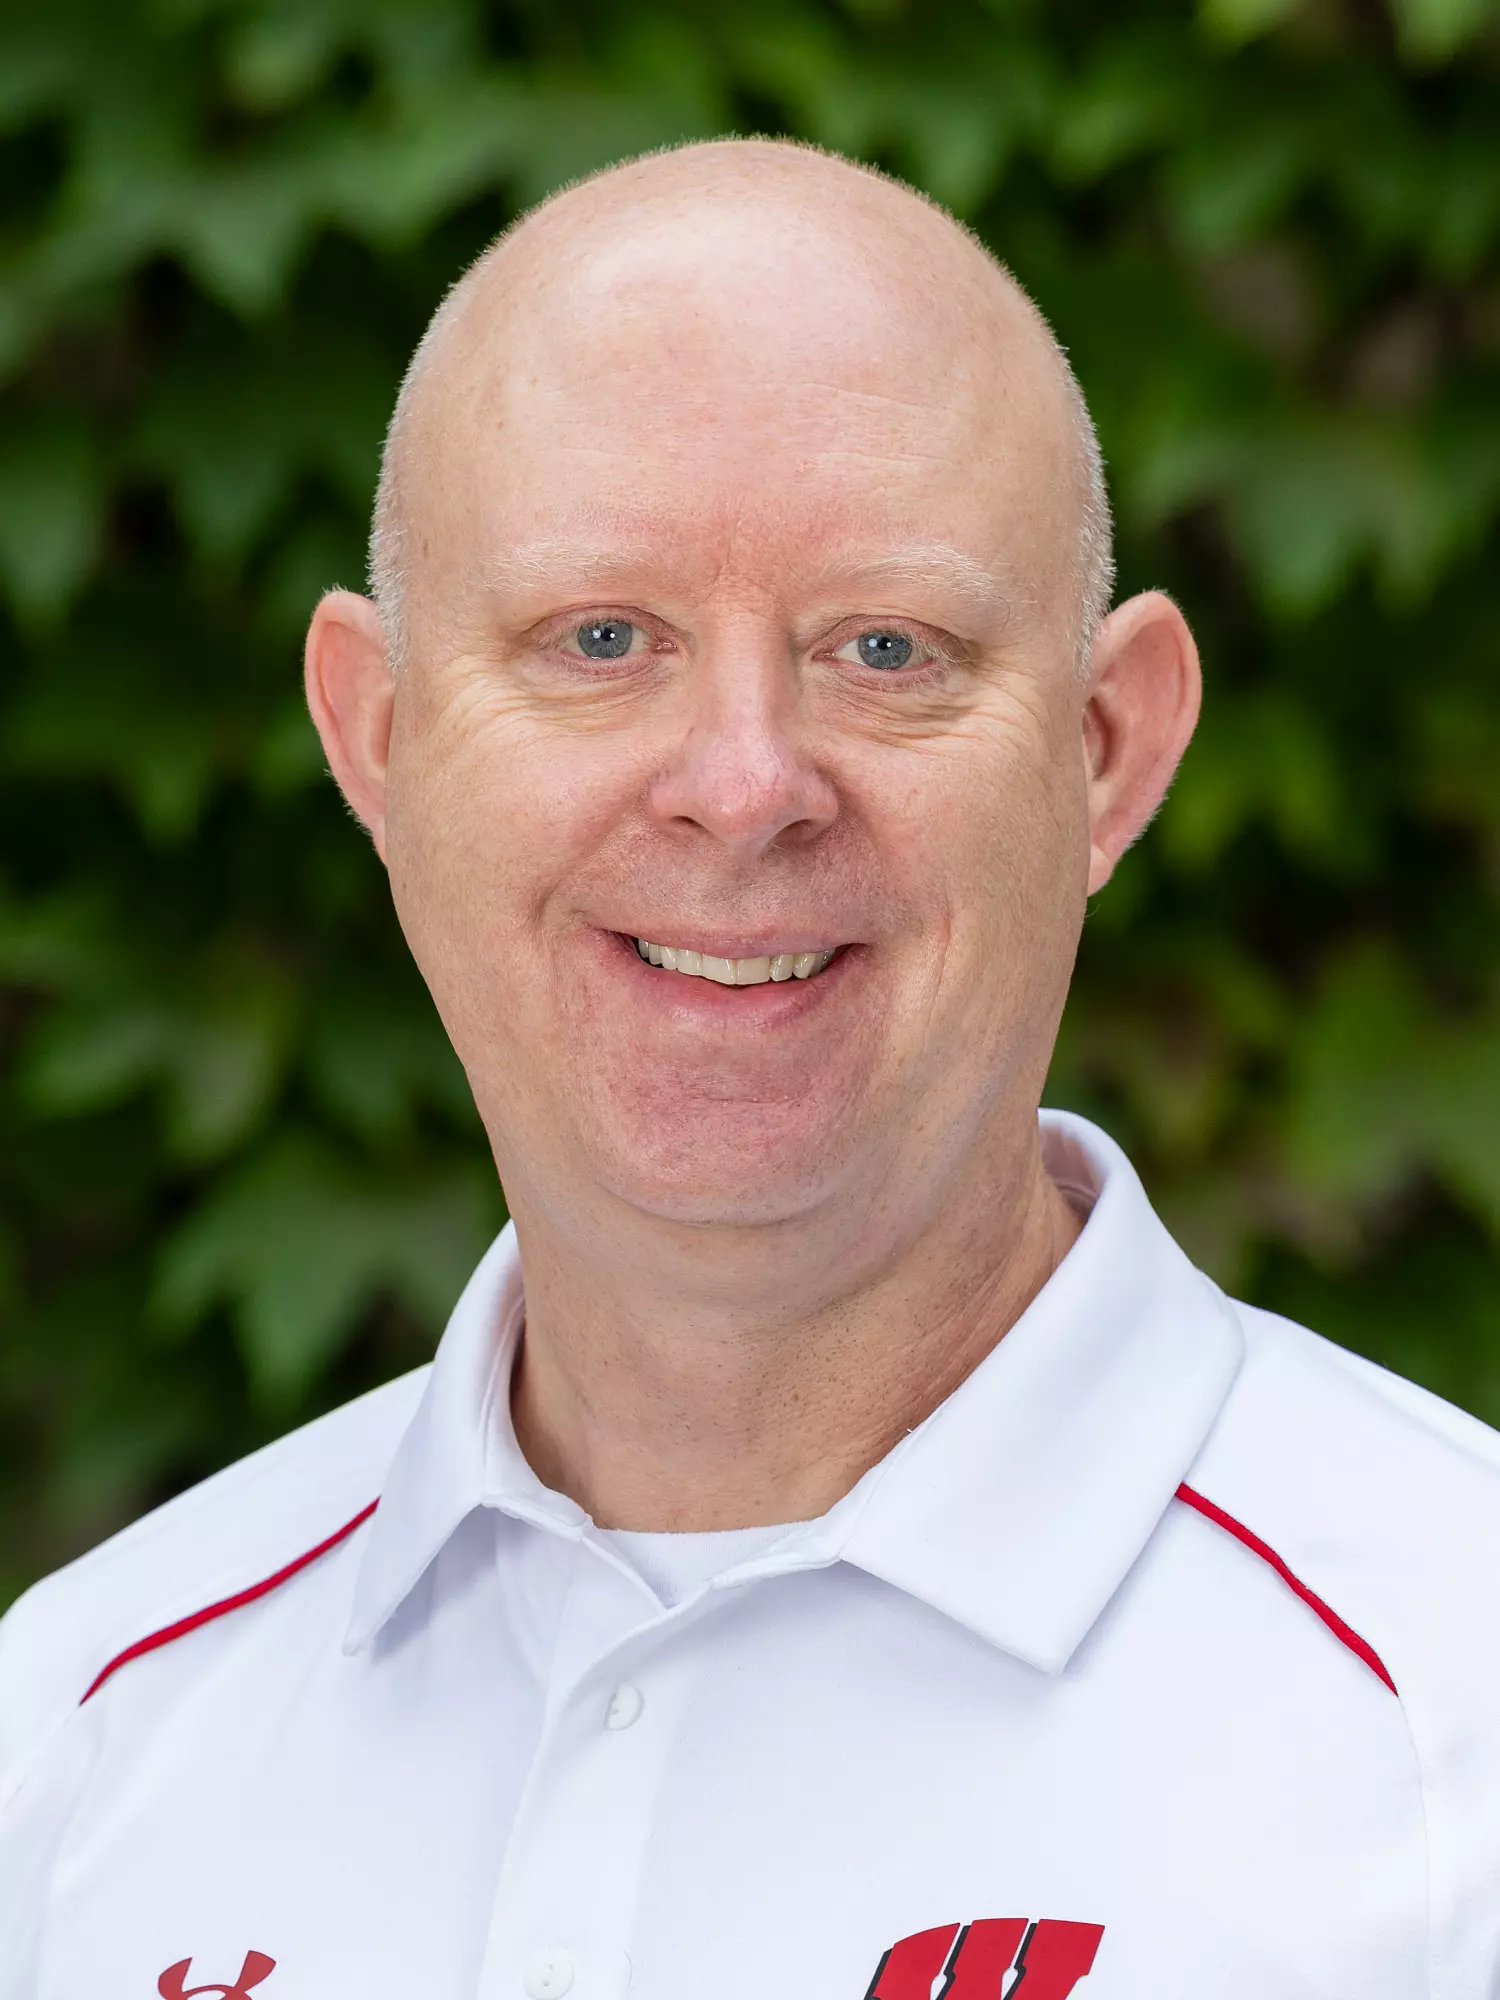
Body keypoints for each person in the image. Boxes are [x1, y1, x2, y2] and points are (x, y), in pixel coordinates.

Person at [2, 138, 1497, 2000]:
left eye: (885, 648)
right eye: (600, 638)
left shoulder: (1458, 1717)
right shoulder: (75, 1745)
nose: (742, 782)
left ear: (1108, 750)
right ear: (376, 736)